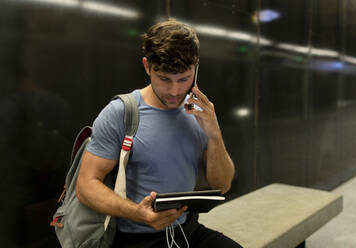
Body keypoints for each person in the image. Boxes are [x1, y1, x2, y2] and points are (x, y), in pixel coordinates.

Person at [76, 19, 242, 248]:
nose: (175, 91)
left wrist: (214, 134)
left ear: (196, 67)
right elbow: (85, 185)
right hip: (136, 238)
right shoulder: (121, 112)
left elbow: (222, 185)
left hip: (186, 230)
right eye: (164, 79)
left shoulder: (200, 112)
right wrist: (138, 213)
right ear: (147, 66)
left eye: (184, 79)